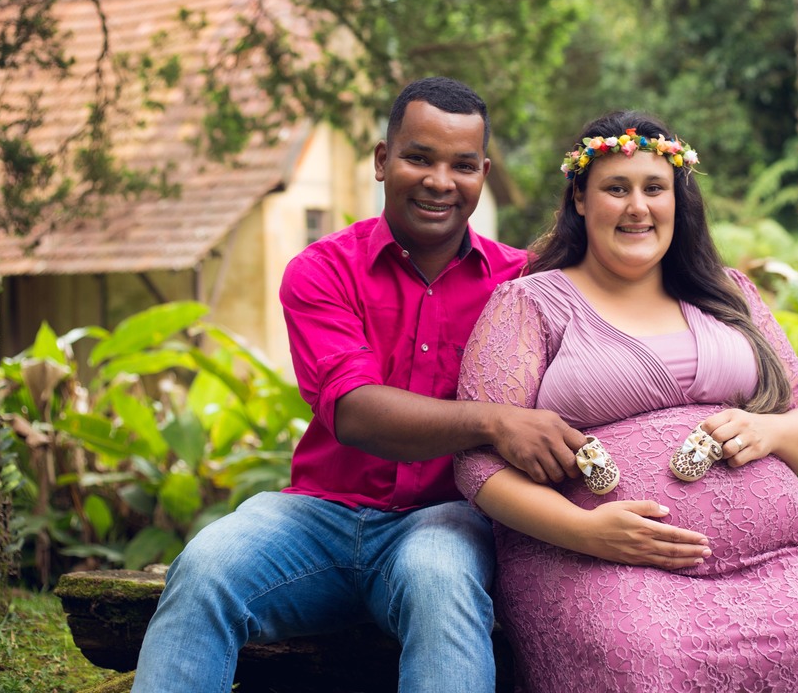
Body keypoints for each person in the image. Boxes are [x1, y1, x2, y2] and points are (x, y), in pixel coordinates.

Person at [131, 77, 594, 693]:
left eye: (461, 165)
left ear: (482, 174)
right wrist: (494, 420)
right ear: (383, 161)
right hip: (315, 518)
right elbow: (355, 413)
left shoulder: (525, 285)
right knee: (206, 566)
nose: (439, 181)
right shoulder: (322, 270)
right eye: (418, 157)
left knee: (440, 580)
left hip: (445, 520)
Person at [454, 112, 798, 692]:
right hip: (595, 566)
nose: (638, 206)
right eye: (616, 188)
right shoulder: (530, 304)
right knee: (648, 662)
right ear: (580, 199)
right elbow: (476, 463)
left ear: (677, 199)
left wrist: (771, 433)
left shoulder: (729, 294)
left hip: (772, 570)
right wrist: (585, 530)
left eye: (654, 188)